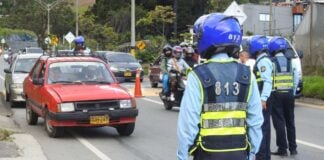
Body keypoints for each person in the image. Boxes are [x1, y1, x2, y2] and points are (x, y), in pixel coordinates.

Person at [177, 13, 263, 160]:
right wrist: (252, 152)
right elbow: (255, 121)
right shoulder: (247, 75)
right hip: (240, 153)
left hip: (207, 153)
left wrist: (182, 156)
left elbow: (188, 124)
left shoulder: (198, 75)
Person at [269, 36, 299, 156]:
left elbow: (269, 80)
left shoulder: (271, 62)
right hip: (289, 94)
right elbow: (295, 78)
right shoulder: (291, 61)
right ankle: (293, 148)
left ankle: (282, 149)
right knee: (290, 121)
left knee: (279, 122)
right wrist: (293, 92)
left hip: (277, 94)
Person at [247, 35, 273, 160]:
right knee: (264, 128)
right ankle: (265, 156)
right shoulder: (264, 60)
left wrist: (263, 99)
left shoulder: (263, 61)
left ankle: (262, 156)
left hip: (264, 100)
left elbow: (267, 81)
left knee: (261, 129)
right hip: (264, 98)